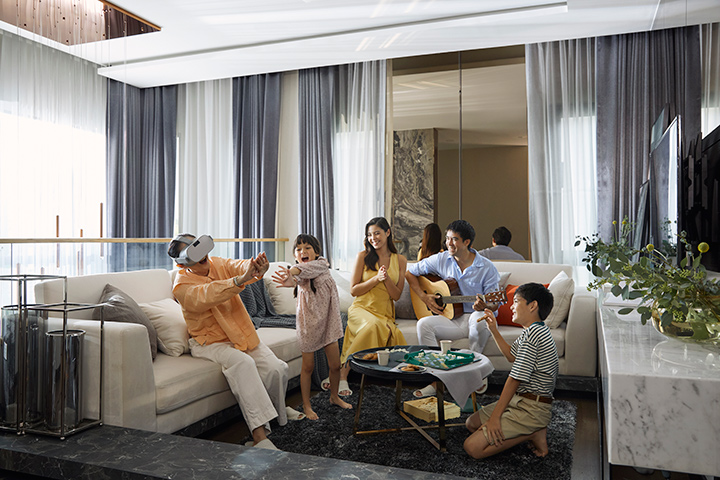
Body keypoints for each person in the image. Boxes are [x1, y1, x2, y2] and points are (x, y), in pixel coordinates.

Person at [168, 233, 304, 451]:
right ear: (182, 262)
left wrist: (255, 267)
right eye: (193, 251)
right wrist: (239, 280)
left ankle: (279, 411)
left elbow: (237, 266)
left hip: (240, 334)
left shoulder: (217, 263)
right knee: (244, 363)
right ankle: (259, 437)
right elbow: (208, 294)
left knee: (276, 368)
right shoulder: (181, 286)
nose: (202, 255)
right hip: (209, 343)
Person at [405, 220, 500, 398]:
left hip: (476, 316)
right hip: (453, 317)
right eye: (448, 238)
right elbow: (410, 273)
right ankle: (436, 378)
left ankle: (474, 372)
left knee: (478, 318)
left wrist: (485, 305)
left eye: (454, 239)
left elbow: (495, 303)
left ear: (467, 242)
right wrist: (424, 296)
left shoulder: (486, 267)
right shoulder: (441, 259)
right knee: (424, 324)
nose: (449, 243)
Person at [463, 282, 558, 459]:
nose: (511, 306)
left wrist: (495, 418)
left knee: (472, 448)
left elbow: (515, 379)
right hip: (520, 400)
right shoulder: (533, 331)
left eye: (515, 301)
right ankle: (530, 429)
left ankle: (533, 432)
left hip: (532, 408)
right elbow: (511, 356)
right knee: (471, 423)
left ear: (532, 305)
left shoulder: (534, 335)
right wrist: (493, 329)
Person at [272, 234, 353, 420]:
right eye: (299, 249)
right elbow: (298, 277)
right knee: (308, 367)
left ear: (317, 252)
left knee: (335, 365)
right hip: (308, 325)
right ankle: (307, 405)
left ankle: (334, 396)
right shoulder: (300, 275)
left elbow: (306, 269)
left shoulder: (321, 264)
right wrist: (290, 279)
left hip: (329, 323)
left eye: (307, 248)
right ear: (295, 255)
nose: (303, 251)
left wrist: (292, 271)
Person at [336, 217, 408, 396]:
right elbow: (354, 290)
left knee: (377, 325)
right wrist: (376, 279)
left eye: (377, 233)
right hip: (361, 309)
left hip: (384, 314)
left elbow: (396, 296)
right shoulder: (363, 256)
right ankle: (342, 375)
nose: (373, 238)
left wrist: (386, 279)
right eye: (369, 235)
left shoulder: (400, 260)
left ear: (387, 232)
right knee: (373, 325)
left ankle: (342, 371)